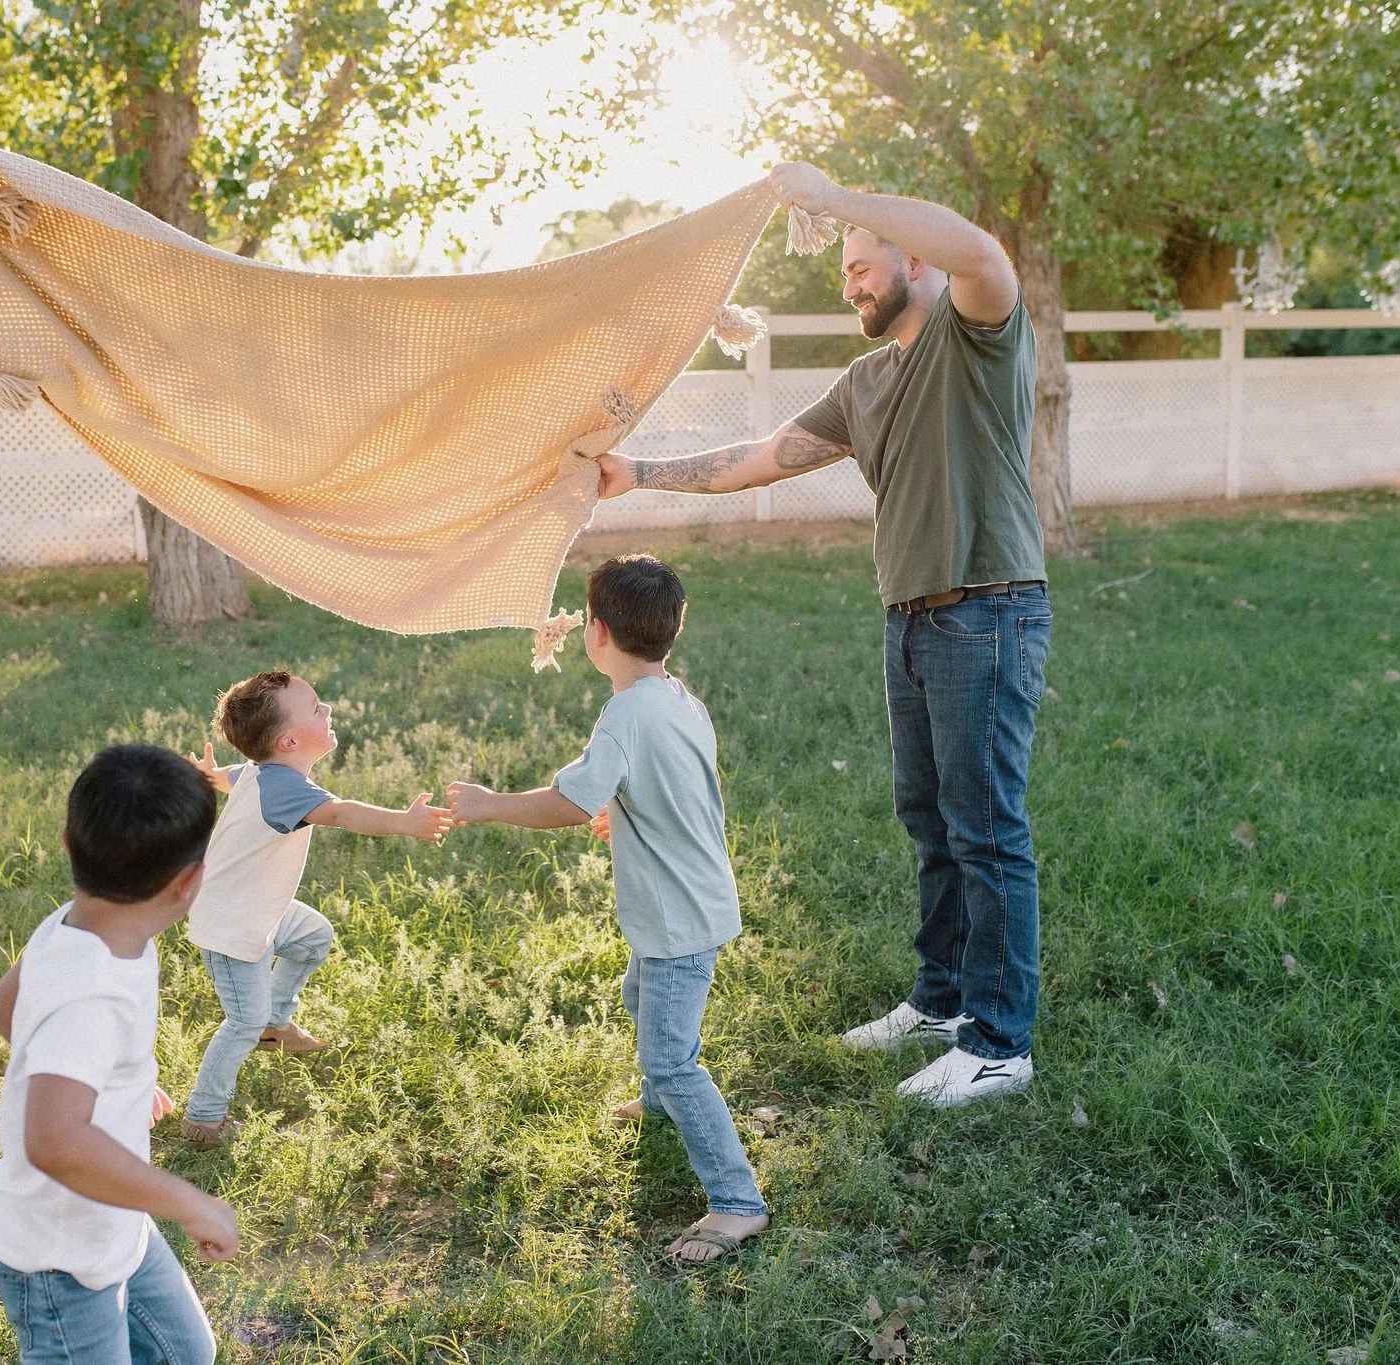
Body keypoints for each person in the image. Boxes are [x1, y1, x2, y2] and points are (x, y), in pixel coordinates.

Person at [593, 161, 1050, 1110]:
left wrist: (834, 196)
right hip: (911, 616)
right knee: (929, 819)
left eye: (860, 265)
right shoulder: (866, 380)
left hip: (988, 609)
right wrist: (637, 473)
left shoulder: (979, 333)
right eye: (843, 269)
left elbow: (980, 250)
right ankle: (942, 1002)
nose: (848, 283)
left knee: (987, 828)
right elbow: (763, 458)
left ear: (914, 262)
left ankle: (1002, 1043)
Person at [447, 555, 770, 1265]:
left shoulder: (623, 713)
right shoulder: (679, 699)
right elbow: (682, 780)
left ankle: (737, 1200)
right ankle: (659, 1104)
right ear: (672, 630)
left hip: (678, 917)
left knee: (673, 1054)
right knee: (639, 991)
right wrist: (628, 811)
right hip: (693, 899)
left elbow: (567, 802)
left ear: (595, 632)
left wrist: (488, 804)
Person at [0, 743, 239, 1365]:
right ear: (190, 882)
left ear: (69, 843)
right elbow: (55, 1141)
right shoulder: (90, 999)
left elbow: (1, 1010)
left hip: (112, 1224)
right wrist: (189, 1201)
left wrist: (96, 1091)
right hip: (60, 1259)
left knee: (186, 1353)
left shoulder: (71, 922)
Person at [176, 671, 452, 1149]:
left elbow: (228, 778)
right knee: (240, 1021)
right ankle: (203, 1117)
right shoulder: (283, 787)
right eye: (316, 708)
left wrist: (208, 776)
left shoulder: (260, 772)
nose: (326, 710)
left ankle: (275, 1024)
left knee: (312, 937)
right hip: (231, 930)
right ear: (288, 741)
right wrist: (405, 823)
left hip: (258, 908)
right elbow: (343, 813)